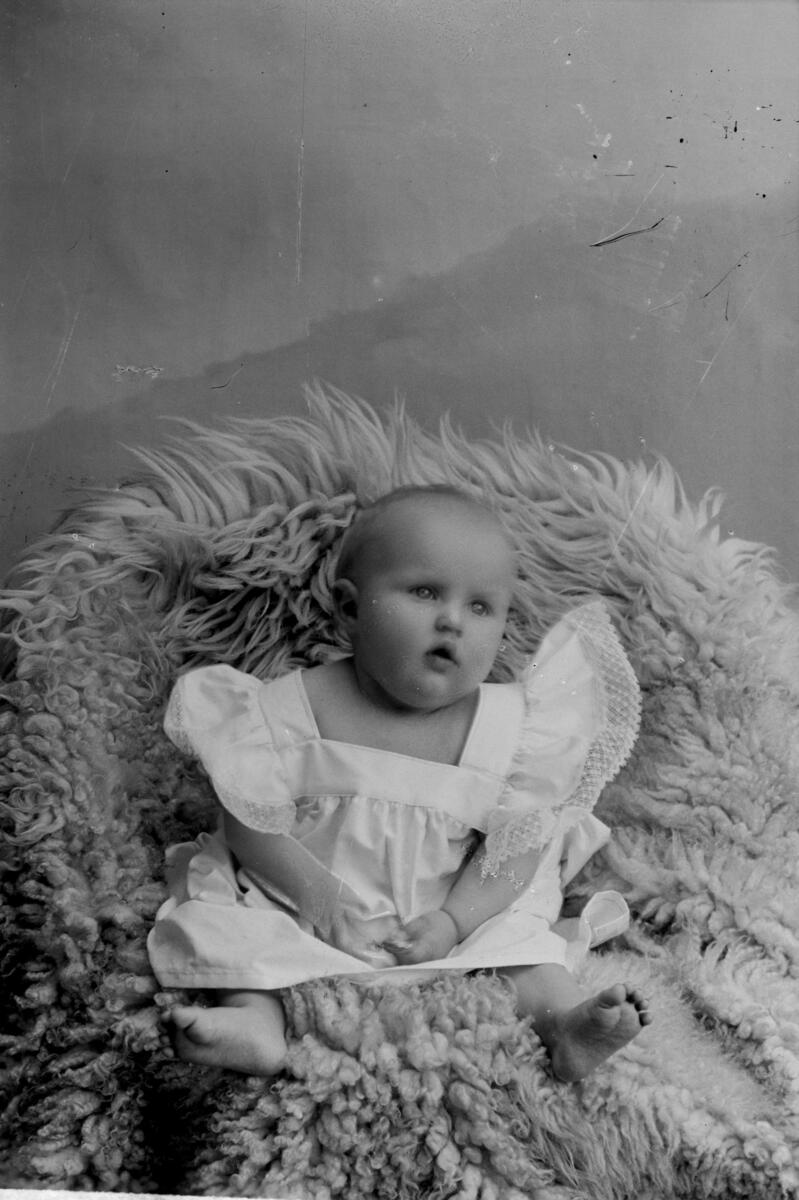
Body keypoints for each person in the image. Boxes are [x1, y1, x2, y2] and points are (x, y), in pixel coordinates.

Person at [147, 485, 650, 1082]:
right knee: (234, 918)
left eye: (481, 607)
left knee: (521, 941)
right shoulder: (285, 711)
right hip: (305, 899)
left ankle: (563, 1022)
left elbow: (515, 853)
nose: (452, 621)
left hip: (454, 910)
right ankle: (256, 1021)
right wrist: (323, 904)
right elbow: (250, 823)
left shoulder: (516, 734)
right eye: (425, 592)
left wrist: (454, 922)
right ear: (350, 608)